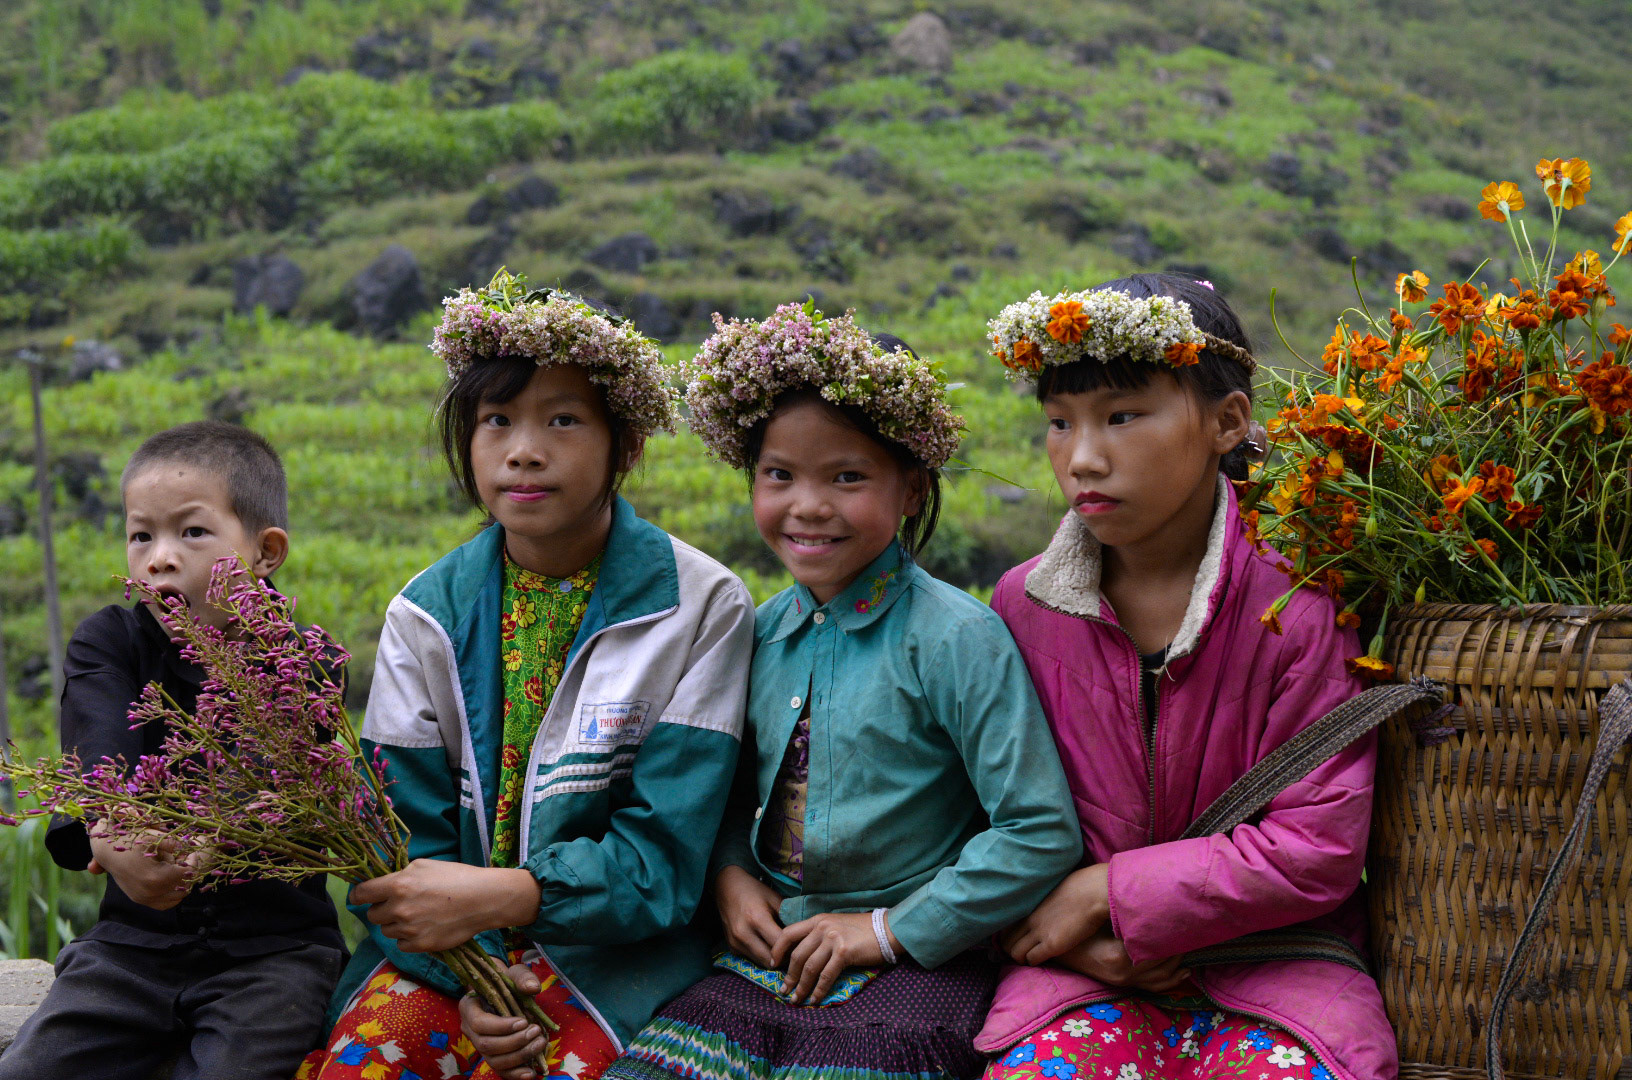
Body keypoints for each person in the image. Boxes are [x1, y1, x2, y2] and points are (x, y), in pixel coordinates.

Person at [573, 303, 1081, 1080]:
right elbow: (724, 791)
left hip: (919, 967)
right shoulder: (755, 630)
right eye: (780, 475)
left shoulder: (954, 638)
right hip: (769, 957)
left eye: (847, 477)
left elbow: (1038, 831)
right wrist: (733, 877)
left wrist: (884, 931)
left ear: (911, 489)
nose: (809, 506)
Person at [301, 273, 754, 1080]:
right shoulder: (426, 615)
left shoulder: (699, 607)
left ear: (627, 444)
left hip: (613, 952)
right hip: (445, 951)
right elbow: (401, 847)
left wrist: (514, 897)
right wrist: (469, 976)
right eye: (497, 421)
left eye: (564, 420)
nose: (524, 450)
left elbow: (665, 855)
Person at [977, 274, 1393, 1080]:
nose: (1083, 457)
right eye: (1059, 423)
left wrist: (1109, 892)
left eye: (1123, 416)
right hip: (1075, 970)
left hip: (1279, 973)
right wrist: (1081, 940)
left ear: (1227, 422)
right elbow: (978, 811)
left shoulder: (1303, 606)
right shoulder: (1024, 607)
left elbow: (1314, 847)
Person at [0, 421, 346, 1080]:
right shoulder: (109, 641)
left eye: (192, 532)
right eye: (141, 535)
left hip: (274, 954)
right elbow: (99, 743)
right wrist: (107, 835)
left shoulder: (306, 657)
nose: (159, 556)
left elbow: (269, 776)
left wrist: (208, 845)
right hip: (132, 949)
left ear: (265, 552)